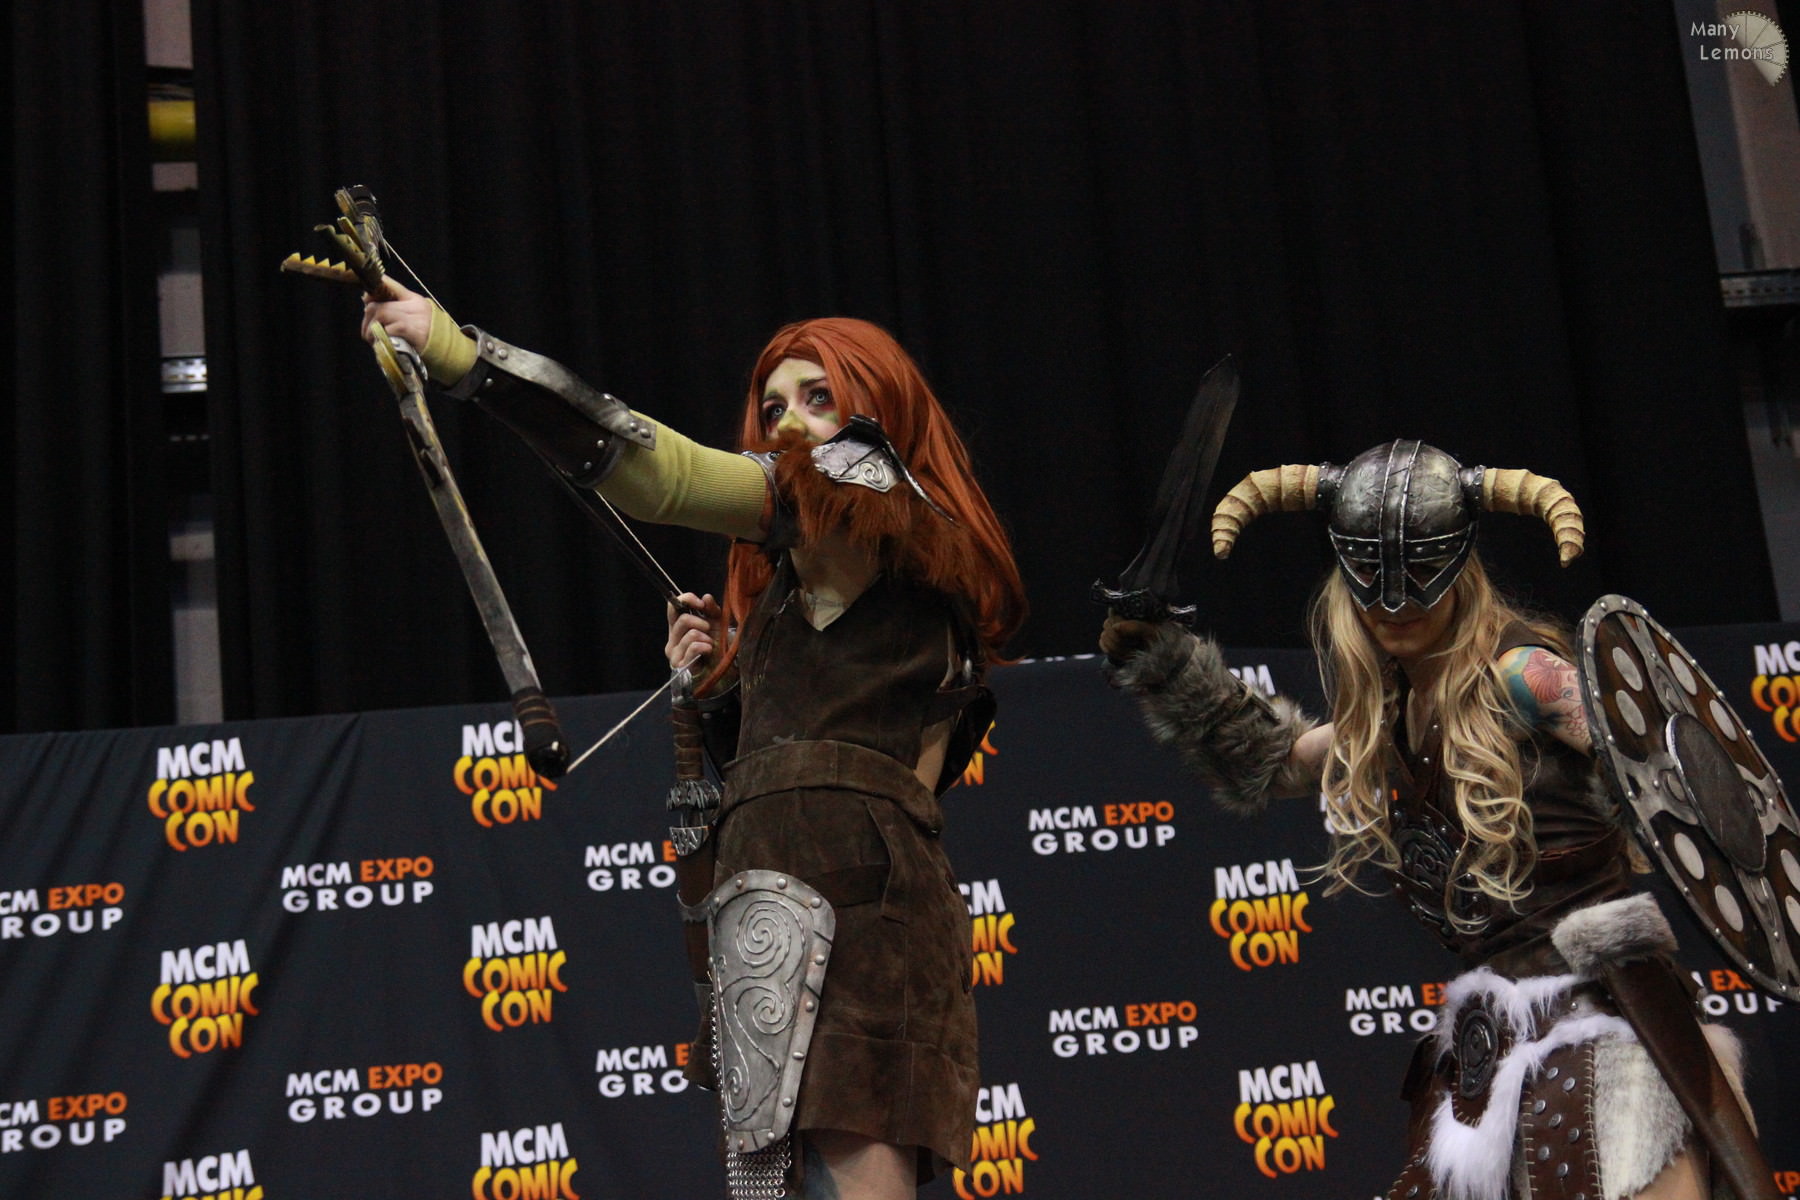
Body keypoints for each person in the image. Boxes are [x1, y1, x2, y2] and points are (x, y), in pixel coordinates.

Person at [363, 286, 1026, 1200]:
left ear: (882, 409)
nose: (789, 423)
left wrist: (459, 355)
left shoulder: (877, 503)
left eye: (820, 397)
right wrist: (721, 687)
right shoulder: (802, 589)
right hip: (776, 910)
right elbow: (806, 754)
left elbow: (664, 478)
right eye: (773, 407)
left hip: (861, 916)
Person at [1100, 441, 1774, 1200]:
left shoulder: (1522, 676)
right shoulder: (1389, 717)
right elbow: (1273, 760)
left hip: (1609, 1020)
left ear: (1461, 568)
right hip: (1494, 1042)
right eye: (1373, 579)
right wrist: (1165, 663)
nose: (1396, 604)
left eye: (1421, 573)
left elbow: (1665, 767)